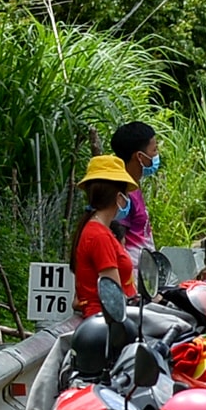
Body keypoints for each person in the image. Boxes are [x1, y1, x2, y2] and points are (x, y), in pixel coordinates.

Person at [71, 154, 139, 318]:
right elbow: (113, 296)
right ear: (119, 197)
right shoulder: (99, 236)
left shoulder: (94, 230)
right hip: (108, 324)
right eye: (126, 194)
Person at [110, 121, 162, 264]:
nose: (157, 155)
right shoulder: (123, 193)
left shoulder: (134, 186)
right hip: (132, 277)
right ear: (139, 156)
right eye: (154, 150)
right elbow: (118, 241)